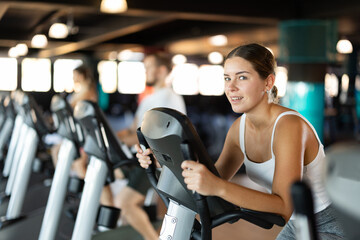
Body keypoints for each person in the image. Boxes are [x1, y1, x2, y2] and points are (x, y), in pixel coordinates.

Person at [137, 43, 346, 239]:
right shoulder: (239, 129)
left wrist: (217, 187)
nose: (231, 87)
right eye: (227, 78)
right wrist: (162, 164)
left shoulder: (289, 126)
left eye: (242, 77)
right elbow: (211, 180)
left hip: (332, 224)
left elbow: (284, 205)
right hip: (297, 223)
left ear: (268, 82)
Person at [114, 52, 186, 240]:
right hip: (137, 156)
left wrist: (122, 140)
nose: (145, 72)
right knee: (105, 174)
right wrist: (112, 135)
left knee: (125, 203)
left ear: (161, 71)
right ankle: (111, 227)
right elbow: (132, 129)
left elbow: (155, 138)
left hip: (153, 161)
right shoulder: (148, 99)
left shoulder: (169, 99)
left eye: (148, 67)